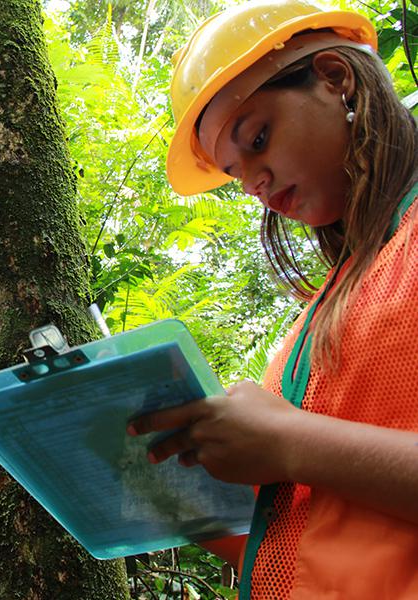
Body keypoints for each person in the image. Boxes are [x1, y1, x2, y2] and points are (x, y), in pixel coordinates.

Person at [126, 0, 418, 598]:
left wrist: (291, 444)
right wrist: (168, 480)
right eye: (236, 174)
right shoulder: (312, 319)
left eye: (258, 138)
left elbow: (310, 458)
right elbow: (314, 525)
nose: (256, 185)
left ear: (335, 79)